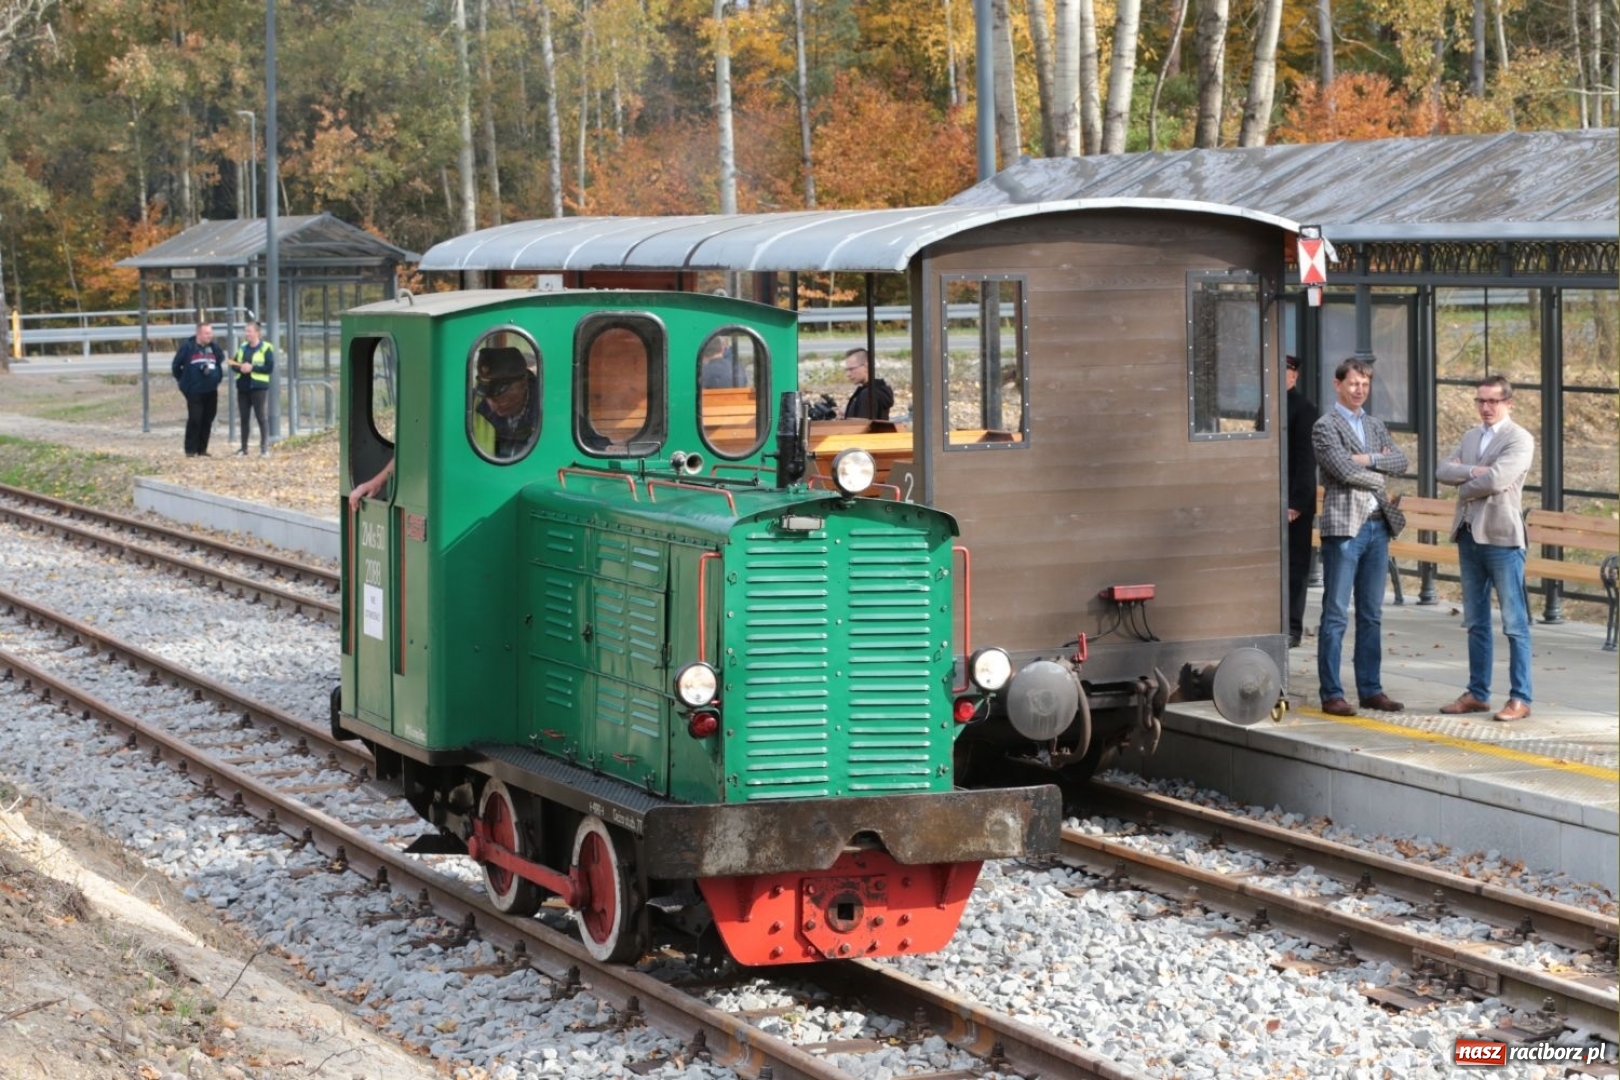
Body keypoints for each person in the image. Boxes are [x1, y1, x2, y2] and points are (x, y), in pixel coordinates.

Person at [1312, 357, 1409, 717]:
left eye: (1365, 385)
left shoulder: (1375, 424)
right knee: (1336, 613)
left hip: (1377, 525)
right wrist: (1376, 466)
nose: (1359, 390)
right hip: (1344, 528)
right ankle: (1332, 693)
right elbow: (1339, 469)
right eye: (1353, 383)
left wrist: (1363, 459)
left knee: (1371, 613)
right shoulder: (1325, 426)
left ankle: (1371, 689)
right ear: (1338, 384)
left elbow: (1401, 462)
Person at [1436, 376, 1535, 722]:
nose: (1486, 408)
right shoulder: (1470, 436)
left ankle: (1520, 698)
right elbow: (1442, 470)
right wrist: (1473, 470)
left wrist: (1464, 486)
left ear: (1509, 403)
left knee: (1514, 623)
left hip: (1502, 539)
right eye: (1481, 401)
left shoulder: (1520, 439)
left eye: (1493, 401)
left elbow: (1497, 480)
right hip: (1468, 536)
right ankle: (1478, 693)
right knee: (1476, 622)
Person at [1284, 355, 1318, 648]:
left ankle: (1293, 626)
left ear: (1295, 376)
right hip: (1274, 501)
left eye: (1287, 371)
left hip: (1295, 505)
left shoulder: (1304, 409)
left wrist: (1296, 503)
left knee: (1296, 565)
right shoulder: (1269, 406)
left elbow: (1306, 461)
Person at [472, 347, 539, 459]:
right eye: (487, 397)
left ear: (523, 384)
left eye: (499, 397)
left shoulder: (547, 409)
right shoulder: (473, 402)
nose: (492, 406)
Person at [171, 321, 226, 457]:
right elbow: (176, 366)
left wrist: (217, 378)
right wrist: (183, 381)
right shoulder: (188, 347)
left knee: (208, 418)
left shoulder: (213, 347)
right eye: (207, 333)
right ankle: (190, 450)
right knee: (195, 419)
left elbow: (220, 359)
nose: (210, 336)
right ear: (199, 334)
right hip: (194, 390)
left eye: (211, 333)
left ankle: (202, 449)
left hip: (211, 389)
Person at [232, 320, 275, 456]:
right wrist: (241, 368)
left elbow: (269, 368)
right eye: (246, 331)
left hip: (258, 388)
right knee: (244, 418)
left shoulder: (266, 348)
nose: (247, 334)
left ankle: (264, 448)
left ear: (257, 333)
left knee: (260, 416)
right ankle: (243, 448)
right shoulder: (243, 347)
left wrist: (252, 368)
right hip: (243, 387)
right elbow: (233, 363)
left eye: (249, 331)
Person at [841, 348, 893, 421]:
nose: (848, 374)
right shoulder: (877, 390)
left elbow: (862, 426)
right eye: (847, 370)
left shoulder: (868, 395)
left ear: (866, 367)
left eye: (851, 369)